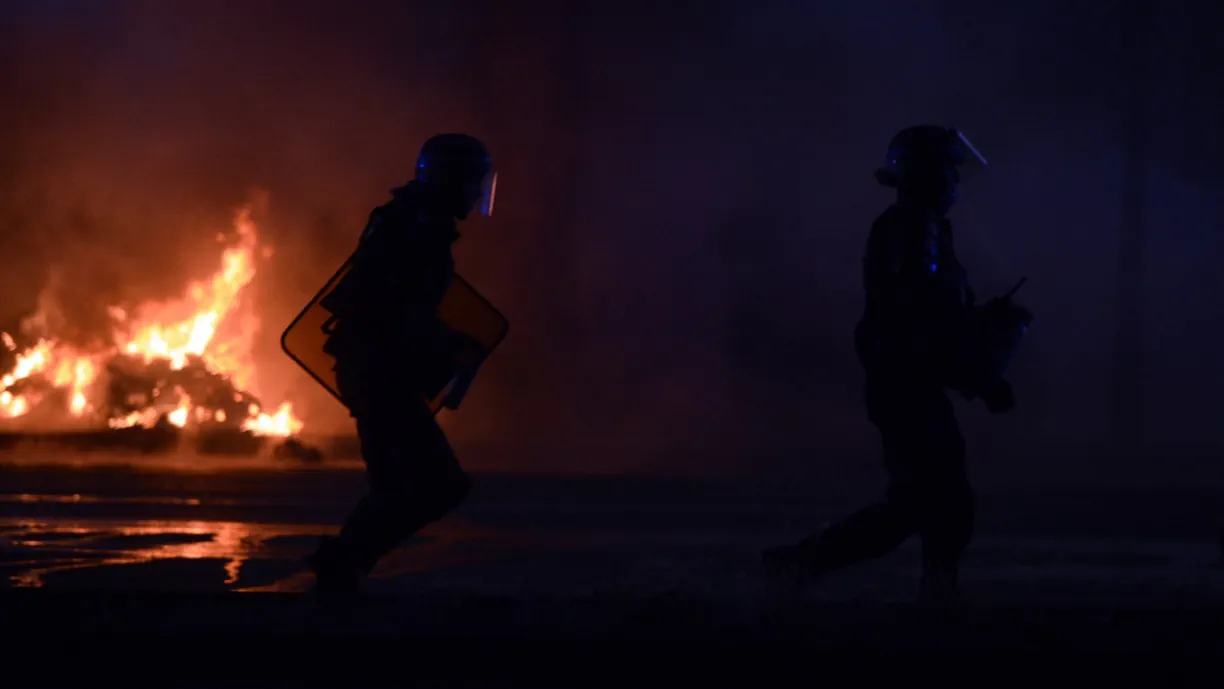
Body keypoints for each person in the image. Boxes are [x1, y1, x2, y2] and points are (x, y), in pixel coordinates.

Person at [762, 125, 1030, 604]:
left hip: (907, 385)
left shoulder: (918, 229)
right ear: (929, 173)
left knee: (928, 502)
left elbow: (935, 314)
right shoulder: (913, 230)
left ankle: (921, 586)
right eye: (950, 170)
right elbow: (921, 321)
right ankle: (804, 565)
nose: (956, 182)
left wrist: (979, 327)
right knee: (926, 503)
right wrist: (982, 378)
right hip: (906, 387)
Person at [307, 133, 497, 593]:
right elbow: (392, 310)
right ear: (452, 179)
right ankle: (341, 566)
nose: (477, 193)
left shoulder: (408, 221)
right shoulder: (417, 228)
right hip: (379, 376)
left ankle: (341, 570)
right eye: (472, 181)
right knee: (439, 484)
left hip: (374, 373)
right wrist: (450, 345)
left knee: (399, 485)